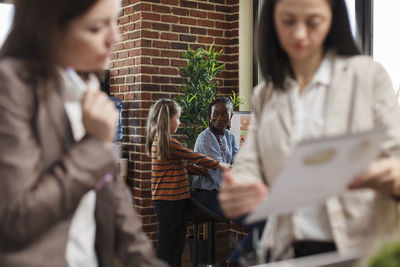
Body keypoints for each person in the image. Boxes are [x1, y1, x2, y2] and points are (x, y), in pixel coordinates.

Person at [218, 0, 400, 262]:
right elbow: (249, 163)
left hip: (362, 248)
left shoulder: (368, 77)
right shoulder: (266, 95)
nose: (300, 34)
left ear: (332, 20)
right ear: (272, 22)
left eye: (313, 22)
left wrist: (390, 174)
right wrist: (242, 188)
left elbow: (396, 157)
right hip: (288, 251)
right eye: (288, 21)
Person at [0, 0, 166, 266]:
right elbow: (17, 218)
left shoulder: (83, 86)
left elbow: (112, 199)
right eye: (96, 27)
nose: (116, 38)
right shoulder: (9, 87)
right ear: (50, 29)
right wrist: (95, 144)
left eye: (115, 21)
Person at [145, 98, 230, 267]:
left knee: (173, 244)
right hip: (171, 202)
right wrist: (218, 164)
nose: (180, 122)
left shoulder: (161, 141)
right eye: (178, 118)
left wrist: (201, 171)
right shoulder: (169, 142)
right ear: (168, 119)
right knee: (168, 245)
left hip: (170, 202)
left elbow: (179, 167)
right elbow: (194, 157)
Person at [192, 97, 265, 263]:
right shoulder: (205, 138)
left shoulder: (230, 137)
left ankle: (235, 261)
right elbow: (220, 176)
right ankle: (233, 262)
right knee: (262, 223)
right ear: (209, 116)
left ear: (231, 116)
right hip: (207, 194)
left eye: (225, 114)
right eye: (215, 114)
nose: (220, 118)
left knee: (266, 221)